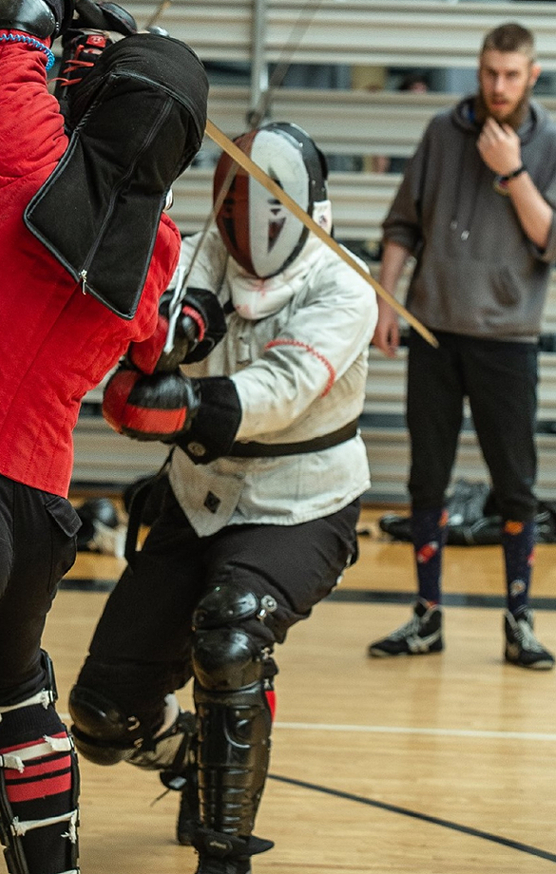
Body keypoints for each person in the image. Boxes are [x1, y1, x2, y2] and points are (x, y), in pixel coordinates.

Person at [0, 0, 208, 874]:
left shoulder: (8, 155)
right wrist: (103, 71)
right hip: (36, 520)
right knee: (14, 700)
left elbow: (10, 34)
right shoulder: (152, 256)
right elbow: (121, 187)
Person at [68, 122, 378, 874]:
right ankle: (197, 752)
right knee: (103, 719)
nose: (250, 227)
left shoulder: (345, 288)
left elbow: (280, 390)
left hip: (299, 507)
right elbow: (186, 312)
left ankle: (223, 852)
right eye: (238, 210)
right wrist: (157, 349)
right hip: (197, 496)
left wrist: (179, 407)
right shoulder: (214, 243)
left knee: (231, 642)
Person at [368, 22, 556, 669]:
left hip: (508, 339)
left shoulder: (550, 141)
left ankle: (520, 621)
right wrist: (386, 298)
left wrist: (512, 173)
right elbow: (402, 224)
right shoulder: (442, 133)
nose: (497, 86)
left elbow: (550, 240)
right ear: (479, 70)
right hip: (433, 332)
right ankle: (426, 618)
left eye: (511, 74)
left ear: (533, 75)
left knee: (517, 487)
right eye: (488, 72)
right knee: (427, 479)